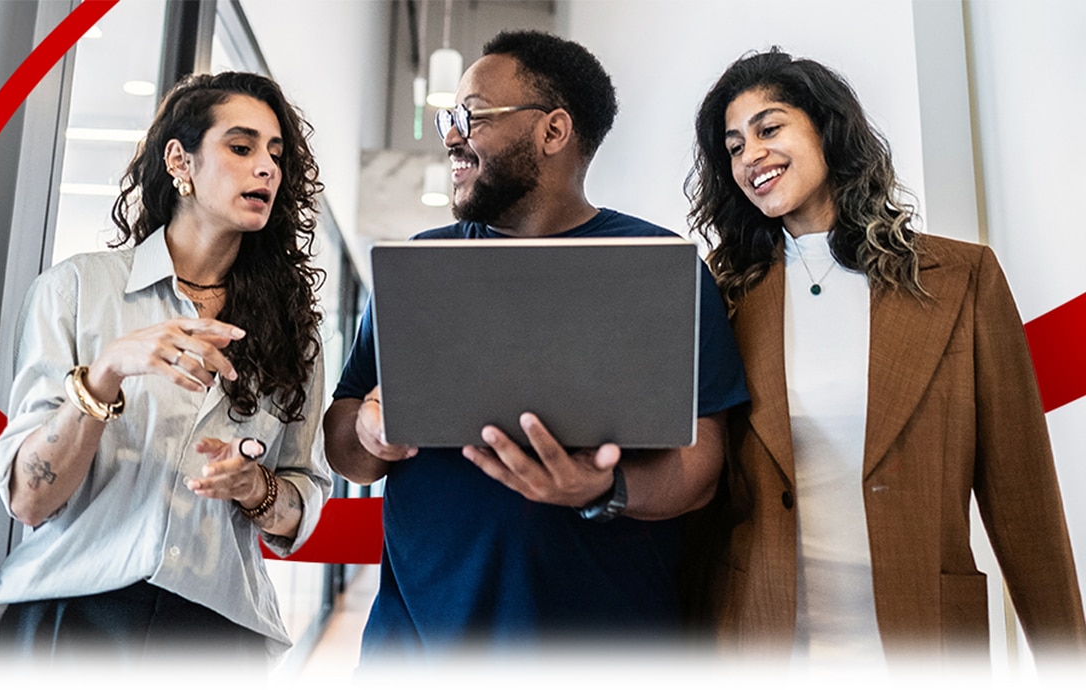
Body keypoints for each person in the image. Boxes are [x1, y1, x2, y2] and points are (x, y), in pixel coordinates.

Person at [323, 30, 749, 664]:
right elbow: (345, 444)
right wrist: (366, 431)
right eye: (448, 117)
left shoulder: (660, 269)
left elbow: (703, 466)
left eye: (470, 115)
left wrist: (598, 490)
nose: (449, 135)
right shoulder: (419, 264)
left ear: (554, 132)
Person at [686, 47, 1086, 668]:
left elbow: (1023, 493)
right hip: (759, 644)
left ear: (827, 128)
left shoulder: (961, 278)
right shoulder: (722, 295)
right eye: (734, 146)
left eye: (770, 128)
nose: (751, 156)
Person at [0, 71, 331, 664]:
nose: (267, 169)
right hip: (73, 615)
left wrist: (256, 488)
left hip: (218, 631)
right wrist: (107, 372)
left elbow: (300, 505)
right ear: (181, 161)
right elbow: (28, 500)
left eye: (276, 155)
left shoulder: (296, 332)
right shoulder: (75, 290)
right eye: (242, 147)